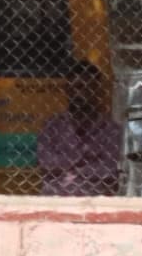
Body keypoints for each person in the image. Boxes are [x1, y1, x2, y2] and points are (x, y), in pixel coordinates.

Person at [33, 63, 124, 196]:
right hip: (55, 198)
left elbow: (111, 169)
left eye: (85, 88)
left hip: (95, 199)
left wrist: (71, 171)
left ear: (97, 90)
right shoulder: (53, 125)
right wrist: (82, 157)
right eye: (73, 88)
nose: (78, 93)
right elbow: (45, 162)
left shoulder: (111, 129)